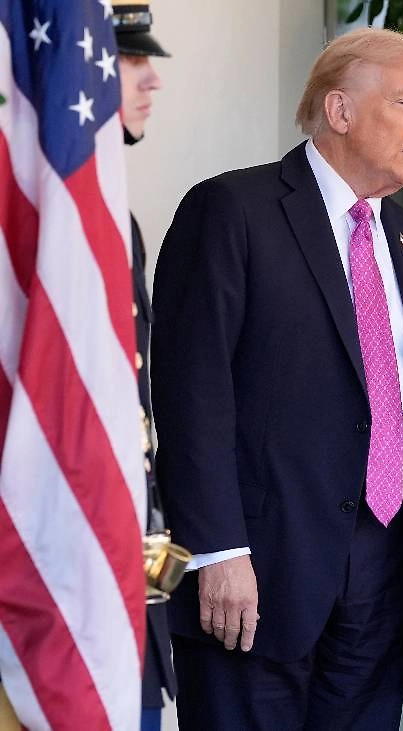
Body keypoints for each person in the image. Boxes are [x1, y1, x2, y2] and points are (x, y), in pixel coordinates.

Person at [150, 27, 403, 730]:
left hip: (383, 577)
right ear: (339, 110)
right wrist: (217, 550)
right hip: (257, 572)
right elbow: (193, 395)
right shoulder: (232, 210)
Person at [112, 3, 176, 729]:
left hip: (130, 556)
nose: (151, 79)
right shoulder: (37, 216)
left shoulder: (118, 221)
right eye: (130, 61)